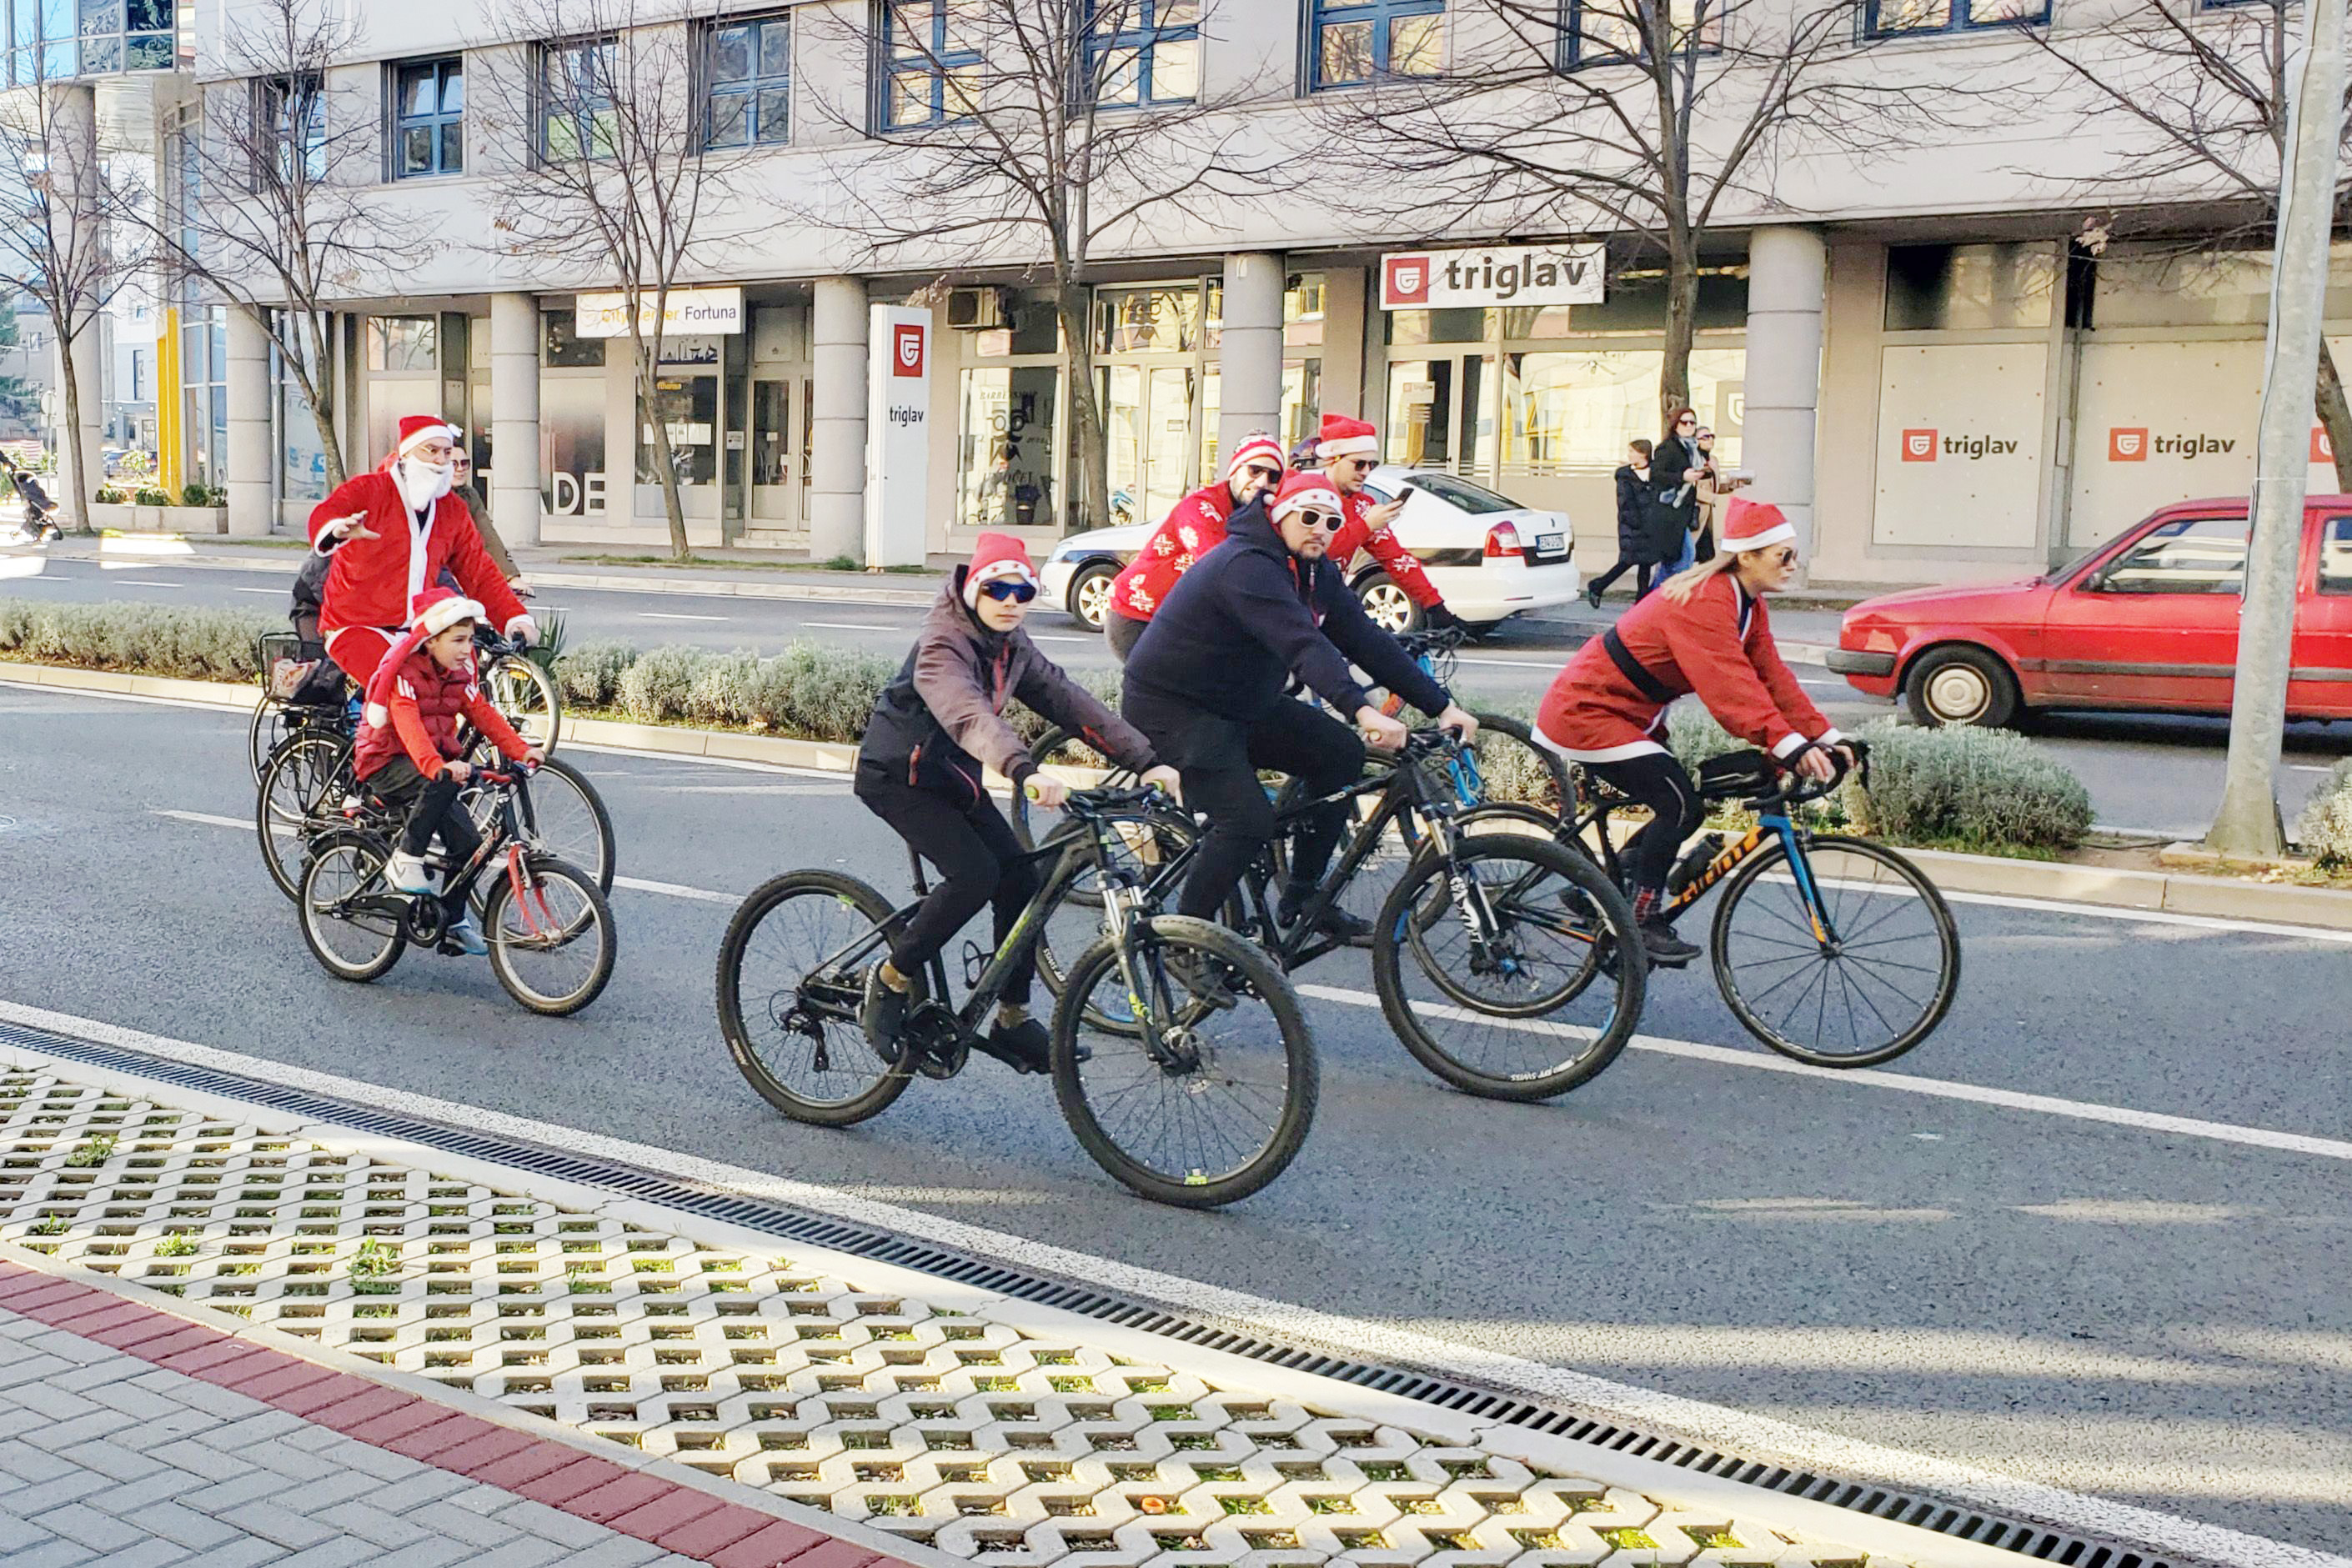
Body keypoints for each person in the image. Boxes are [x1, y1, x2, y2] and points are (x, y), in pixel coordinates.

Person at [856, 534, 1181, 1073]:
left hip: (952, 778)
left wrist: (1145, 758)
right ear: (974, 589)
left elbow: (1066, 698)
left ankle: (1010, 1017)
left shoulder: (1010, 645)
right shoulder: (944, 642)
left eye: (1022, 590)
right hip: (898, 776)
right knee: (975, 875)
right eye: (997, 588)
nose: (1010, 600)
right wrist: (1022, 768)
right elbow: (968, 716)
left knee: (1021, 880)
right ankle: (890, 978)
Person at [1124, 470, 1481, 940]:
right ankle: (1186, 940)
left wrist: (1441, 706)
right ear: (1279, 515)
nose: (1320, 529)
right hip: (1175, 707)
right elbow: (1304, 645)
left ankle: (1305, 893)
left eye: (1332, 522)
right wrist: (1363, 710)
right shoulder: (1245, 564)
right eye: (1308, 516)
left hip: (1241, 700)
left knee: (1340, 754)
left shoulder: (1316, 571)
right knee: (1246, 820)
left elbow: (1366, 641)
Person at [1537, 497, 1848, 966]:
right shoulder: (1707, 601)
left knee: (1685, 807)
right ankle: (1641, 919)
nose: (1793, 564)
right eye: (1783, 555)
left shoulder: (1748, 604)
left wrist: (1828, 737)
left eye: (1794, 554)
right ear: (1747, 556)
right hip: (1588, 711)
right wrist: (1789, 745)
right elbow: (1730, 688)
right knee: (1679, 804)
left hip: (1631, 713)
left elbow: (1772, 678)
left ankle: (1596, 892)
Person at [349, 587, 544, 956]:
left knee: (469, 845)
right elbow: (409, 728)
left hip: (432, 766)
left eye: (469, 640)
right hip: (387, 762)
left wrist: (522, 751)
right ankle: (405, 859)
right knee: (437, 780)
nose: (464, 649)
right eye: (456, 640)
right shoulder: (406, 675)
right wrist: (437, 766)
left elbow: (484, 715)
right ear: (431, 640)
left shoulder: (458, 676)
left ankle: (453, 922)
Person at [307, 416, 534, 693]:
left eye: (447, 452)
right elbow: (326, 513)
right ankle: (380, 736)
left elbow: (479, 571)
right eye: (431, 450)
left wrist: (514, 617)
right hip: (355, 626)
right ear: (406, 454)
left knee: (459, 691)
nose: (441, 461)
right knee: (403, 693)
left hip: (417, 629)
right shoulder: (369, 489)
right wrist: (336, 530)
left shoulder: (452, 509)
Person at [1101, 433, 1286, 661]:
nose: (1262, 483)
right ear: (1235, 470)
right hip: (1139, 618)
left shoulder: (1259, 516)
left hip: (1184, 622)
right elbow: (1223, 569)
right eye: (1255, 471)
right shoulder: (1201, 507)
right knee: (1179, 693)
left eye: (1273, 476)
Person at [1310, 413, 1457, 630]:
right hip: (1292, 603)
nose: (1366, 472)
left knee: (1384, 655)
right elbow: (1323, 550)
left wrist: (1435, 606)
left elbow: (1396, 558)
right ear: (1333, 459)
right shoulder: (1308, 494)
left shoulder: (1363, 505)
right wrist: (1367, 525)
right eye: (1358, 464)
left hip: (1328, 602)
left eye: (1372, 464)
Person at [451, 447, 533, 599]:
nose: (460, 469)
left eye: (464, 463)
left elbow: (487, 534)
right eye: (453, 464)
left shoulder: (470, 495)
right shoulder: (430, 497)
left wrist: (511, 576)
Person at [1585, 440, 1657, 606]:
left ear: (1643, 453)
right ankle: (1598, 585)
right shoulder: (1625, 475)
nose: (1629, 455)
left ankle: (1641, 600)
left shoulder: (1655, 471)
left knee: (1645, 563)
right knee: (1628, 560)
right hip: (1632, 525)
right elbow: (1625, 502)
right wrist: (1637, 522)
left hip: (1651, 524)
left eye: (1632, 451)